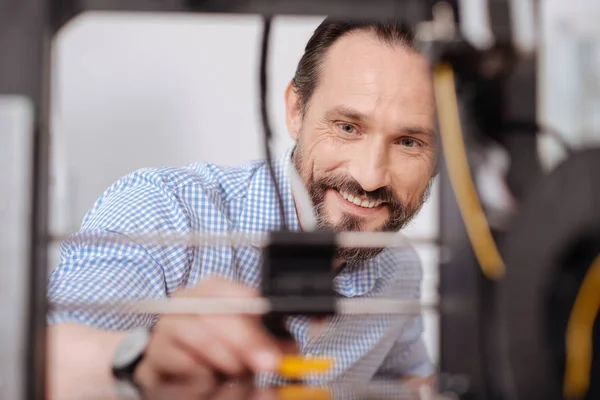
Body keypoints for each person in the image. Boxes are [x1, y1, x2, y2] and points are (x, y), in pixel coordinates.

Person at [47, 16, 437, 399]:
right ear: (296, 111)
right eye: (347, 128)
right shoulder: (161, 209)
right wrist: (140, 357)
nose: (370, 177)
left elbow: (409, 384)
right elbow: (46, 356)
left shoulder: (399, 268)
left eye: (408, 142)